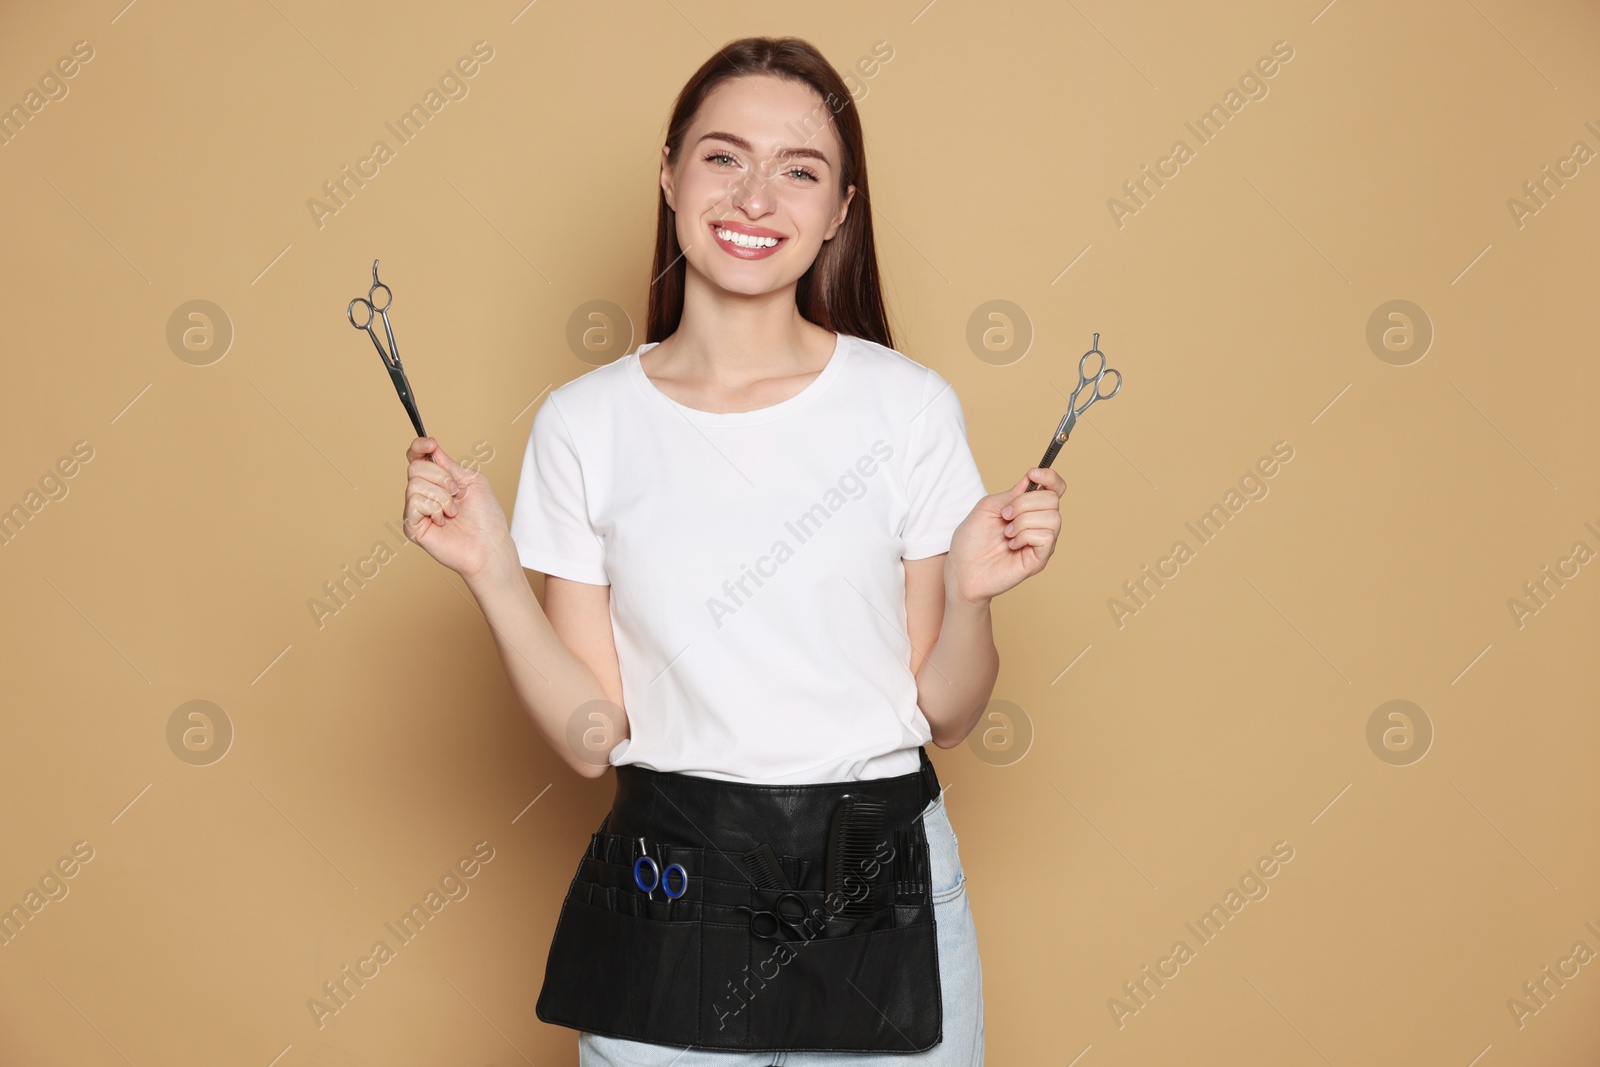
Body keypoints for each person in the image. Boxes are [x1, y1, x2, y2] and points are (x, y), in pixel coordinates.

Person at [399, 35, 1064, 1067]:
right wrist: (492, 571)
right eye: (723, 157)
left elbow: (947, 710)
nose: (756, 196)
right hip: (671, 874)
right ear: (668, 173)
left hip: (876, 871)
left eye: (799, 170)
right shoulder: (584, 425)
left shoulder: (908, 407)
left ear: (840, 209)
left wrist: (974, 597)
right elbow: (588, 737)